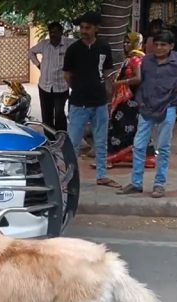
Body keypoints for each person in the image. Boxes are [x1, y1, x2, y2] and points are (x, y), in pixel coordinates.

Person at [118, 30, 177, 198]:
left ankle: (159, 184)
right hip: (146, 107)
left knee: (163, 148)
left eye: (163, 45)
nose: (159, 48)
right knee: (139, 146)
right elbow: (141, 81)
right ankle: (136, 183)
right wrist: (140, 100)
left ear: (171, 46)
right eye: (156, 44)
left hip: (168, 106)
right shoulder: (147, 60)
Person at [62, 11, 120, 188]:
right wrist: (79, 87)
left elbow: (108, 72)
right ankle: (70, 178)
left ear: (96, 28)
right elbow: (67, 75)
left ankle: (102, 175)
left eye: (87, 27)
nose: (83, 30)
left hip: (100, 101)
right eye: (82, 27)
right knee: (73, 144)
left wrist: (107, 90)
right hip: (78, 102)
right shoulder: (73, 49)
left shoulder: (104, 47)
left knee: (101, 141)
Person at [92, 31, 156, 170]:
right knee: (127, 128)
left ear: (137, 43)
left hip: (130, 101)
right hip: (128, 99)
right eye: (125, 42)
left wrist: (121, 82)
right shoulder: (133, 58)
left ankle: (113, 157)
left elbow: (139, 78)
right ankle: (130, 155)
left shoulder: (135, 59)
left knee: (120, 127)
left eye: (129, 42)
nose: (125, 45)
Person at [28, 21, 74, 134]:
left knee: (59, 113)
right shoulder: (44, 44)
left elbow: (82, 46)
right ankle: (50, 139)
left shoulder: (69, 44)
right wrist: (38, 65)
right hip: (44, 86)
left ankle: (62, 137)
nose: (53, 34)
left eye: (56, 32)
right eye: (51, 32)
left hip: (61, 87)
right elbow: (30, 52)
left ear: (61, 32)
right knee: (47, 115)